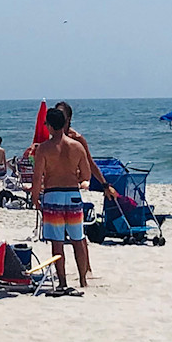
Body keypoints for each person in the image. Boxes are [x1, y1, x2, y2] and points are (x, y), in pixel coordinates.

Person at [52, 101, 118, 279]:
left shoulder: (77, 138)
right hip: (54, 191)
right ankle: (64, 274)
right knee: (58, 237)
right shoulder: (51, 136)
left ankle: (86, 269)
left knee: (77, 234)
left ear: (69, 119)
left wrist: (104, 184)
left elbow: (90, 163)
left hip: (72, 190)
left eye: (62, 116)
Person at [32, 107, 92, 293]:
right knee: (77, 239)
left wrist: (35, 198)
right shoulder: (77, 146)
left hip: (53, 195)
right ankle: (82, 279)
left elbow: (37, 177)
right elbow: (86, 174)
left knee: (57, 243)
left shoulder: (44, 148)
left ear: (49, 126)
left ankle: (63, 282)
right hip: (73, 194)